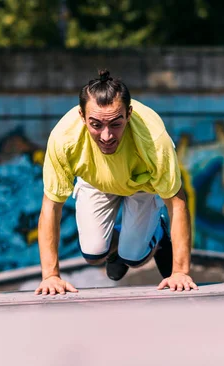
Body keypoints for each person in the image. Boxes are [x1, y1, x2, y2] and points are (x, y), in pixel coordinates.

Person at [35, 69, 198, 295]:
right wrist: (51, 276)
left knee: (134, 256)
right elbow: (51, 207)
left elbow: (177, 202)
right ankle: (118, 244)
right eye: (96, 125)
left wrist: (180, 271)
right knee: (93, 253)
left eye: (115, 124)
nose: (106, 136)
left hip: (142, 186)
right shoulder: (64, 139)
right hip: (96, 181)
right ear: (82, 116)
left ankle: (158, 235)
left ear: (128, 114)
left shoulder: (153, 139)